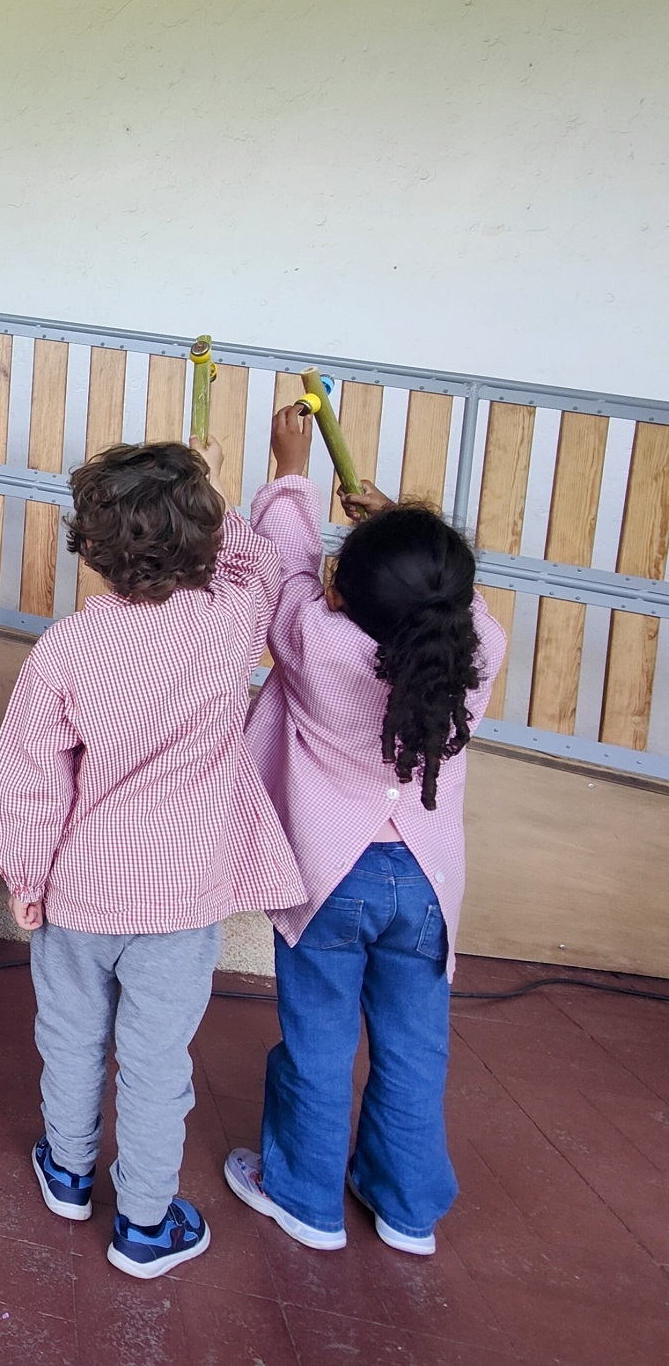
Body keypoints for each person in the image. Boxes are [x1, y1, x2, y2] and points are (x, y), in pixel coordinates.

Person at [0, 438, 306, 1280]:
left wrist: (24, 876)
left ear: (90, 550)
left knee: (71, 1036)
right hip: (182, 898)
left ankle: (67, 1170)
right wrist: (213, 491)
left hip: (79, 892)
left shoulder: (64, 651)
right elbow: (263, 562)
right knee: (160, 1064)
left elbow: (26, 780)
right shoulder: (231, 623)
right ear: (203, 542)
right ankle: (146, 1225)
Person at [223, 407, 505, 1257]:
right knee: (417, 1045)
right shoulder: (477, 646)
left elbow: (287, 566)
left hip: (331, 877)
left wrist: (292, 469)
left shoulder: (320, 645)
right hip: (427, 886)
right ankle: (406, 1207)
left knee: (318, 1037)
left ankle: (304, 1196)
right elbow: (448, 591)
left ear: (346, 595)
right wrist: (389, 526)